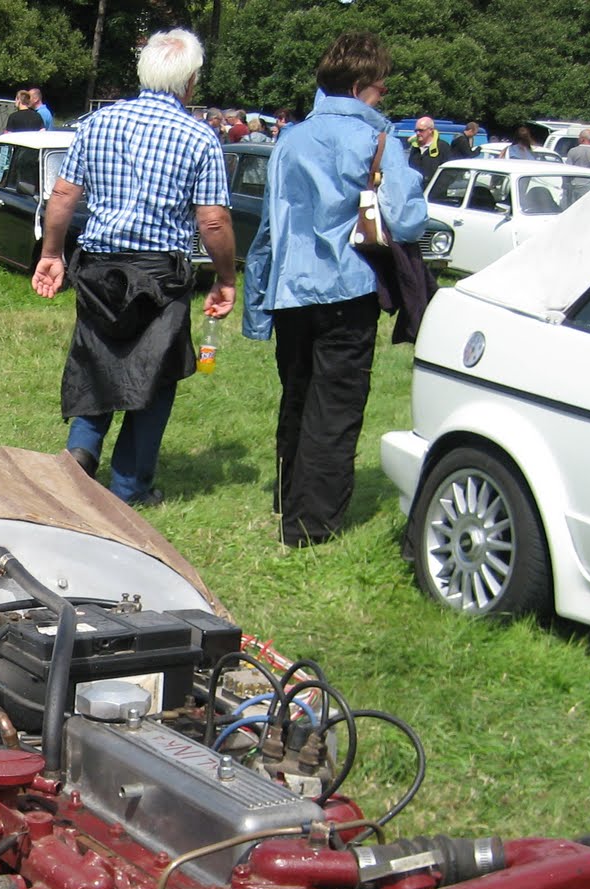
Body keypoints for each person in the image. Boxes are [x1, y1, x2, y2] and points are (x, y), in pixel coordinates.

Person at [32, 29, 236, 509]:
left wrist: (51, 253)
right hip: (160, 275)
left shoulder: (97, 123)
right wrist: (226, 278)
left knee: (95, 358)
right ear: (190, 81)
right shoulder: (199, 136)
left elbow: (63, 194)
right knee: (155, 376)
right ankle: (129, 489)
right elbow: (212, 220)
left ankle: (81, 455)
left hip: (99, 269)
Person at [241, 31, 427, 548]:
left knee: (298, 395)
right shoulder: (378, 140)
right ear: (364, 84)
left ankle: (288, 496)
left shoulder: (290, 139)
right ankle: (310, 525)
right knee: (336, 405)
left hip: (290, 290)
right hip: (349, 288)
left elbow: (269, 228)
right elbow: (407, 221)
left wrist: (257, 304)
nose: (383, 96)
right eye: (382, 86)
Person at [406, 115, 450, 189]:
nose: (418, 133)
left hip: (434, 192)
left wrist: (437, 189)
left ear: (430, 130)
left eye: (421, 130)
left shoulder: (443, 147)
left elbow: (449, 172)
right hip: (415, 191)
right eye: (416, 130)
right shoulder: (414, 148)